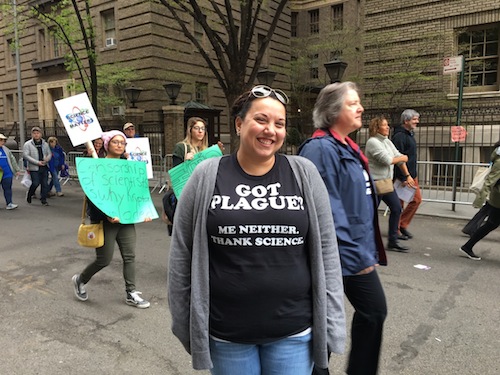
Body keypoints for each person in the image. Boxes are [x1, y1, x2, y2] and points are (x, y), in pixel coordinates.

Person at [168, 85, 346, 374]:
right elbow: (181, 255)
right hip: (227, 335)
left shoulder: (303, 173)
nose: (270, 130)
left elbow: (327, 252)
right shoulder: (206, 175)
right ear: (239, 124)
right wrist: (184, 322)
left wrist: (332, 324)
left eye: (279, 123)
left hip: (294, 332)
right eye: (261, 120)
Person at [298, 82, 387, 375]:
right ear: (333, 111)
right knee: (336, 319)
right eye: (352, 103)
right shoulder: (320, 149)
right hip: (339, 256)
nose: (361, 108)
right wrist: (355, 257)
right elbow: (327, 215)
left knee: (334, 319)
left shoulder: (346, 145)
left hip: (355, 251)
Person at [72, 130, 151, 308]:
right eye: (115, 142)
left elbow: (136, 192)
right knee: (104, 260)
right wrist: (106, 214)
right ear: (107, 144)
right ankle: (80, 279)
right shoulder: (98, 166)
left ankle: (131, 292)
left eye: (122, 142)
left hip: (126, 219)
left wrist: (143, 210)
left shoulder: (129, 165)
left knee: (129, 256)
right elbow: (94, 196)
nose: (119, 145)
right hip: (105, 221)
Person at [365, 116, 411, 252]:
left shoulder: (387, 142)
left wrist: (407, 175)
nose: (388, 127)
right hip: (375, 183)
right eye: (384, 125)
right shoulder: (373, 142)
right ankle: (365, 241)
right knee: (370, 214)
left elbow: (397, 157)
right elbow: (387, 160)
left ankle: (392, 241)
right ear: (376, 128)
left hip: (386, 183)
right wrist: (403, 158)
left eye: (387, 125)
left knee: (396, 208)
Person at [459, 140, 500, 261]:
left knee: (490, 224)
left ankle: (467, 246)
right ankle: (467, 246)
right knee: (490, 224)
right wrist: (480, 199)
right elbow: (489, 181)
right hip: (498, 199)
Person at [392, 109, 421, 240]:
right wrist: (403, 177)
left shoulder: (409, 134)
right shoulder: (399, 136)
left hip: (412, 175)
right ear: (406, 120)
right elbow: (398, 158)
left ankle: (402, 225)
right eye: (414, 119)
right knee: (399, 204)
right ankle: (396, 229)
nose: (417, 122)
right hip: (403, 176)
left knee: (416, 200)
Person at [23, 126, 51, 206]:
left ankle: (43, 199)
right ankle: (30, 194)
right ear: (32, 134)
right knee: (35, 183)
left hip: (44, 166)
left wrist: (46, 160)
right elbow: (26, 155)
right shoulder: (28, 144)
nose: (36, 135)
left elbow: (49, 153)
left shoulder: (45, 144)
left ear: (41, 134)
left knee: (45, 184)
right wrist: (37, 162)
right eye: (34, 133)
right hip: (34, 167)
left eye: (38, 133)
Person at [0, 133, 21, 210]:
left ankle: (9, 203)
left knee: (8, 188)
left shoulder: (6, 150)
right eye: (1, 140)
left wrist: (17, 170)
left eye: (3, 140)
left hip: (7, 172)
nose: (2, 142)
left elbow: (12, 160)